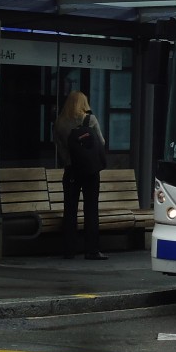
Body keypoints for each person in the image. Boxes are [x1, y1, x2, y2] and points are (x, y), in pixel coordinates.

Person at [54, 90, 108, 259]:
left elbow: (60, 148)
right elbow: (101, 142)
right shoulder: (89, 119)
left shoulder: (59, 123)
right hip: (90, 170)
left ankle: (69, 250)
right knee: (91, 209)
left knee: (70, 210)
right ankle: (92, 250)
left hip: (71, 170)